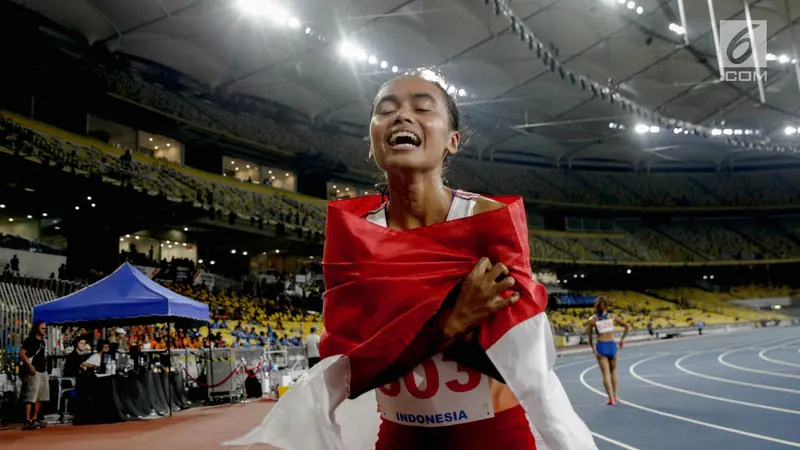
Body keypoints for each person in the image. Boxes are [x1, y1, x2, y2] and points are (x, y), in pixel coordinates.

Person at [586, 297, 630, 405]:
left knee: (605, 374)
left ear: (596, 306)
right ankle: (615, 395)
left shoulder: (592, 320)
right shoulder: (612, 317)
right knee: (613, 371)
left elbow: (590, 338)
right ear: (606, 306)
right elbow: (626, 326)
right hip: (612, 345)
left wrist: (593, 348)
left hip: (601, 346)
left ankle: (611, 399)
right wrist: (621, 340)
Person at [18, 321, 48, 430]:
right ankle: (27, 420)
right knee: (30, 396)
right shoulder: (30, 340)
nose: (44, 330)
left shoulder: (43, 342)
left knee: (40, 396)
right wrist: (29, 366)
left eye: (45, 328)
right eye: (42, 328)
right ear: (36, 329)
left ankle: (34, 418)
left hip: (42, 370)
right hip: (33, 371)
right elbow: (21, 353)